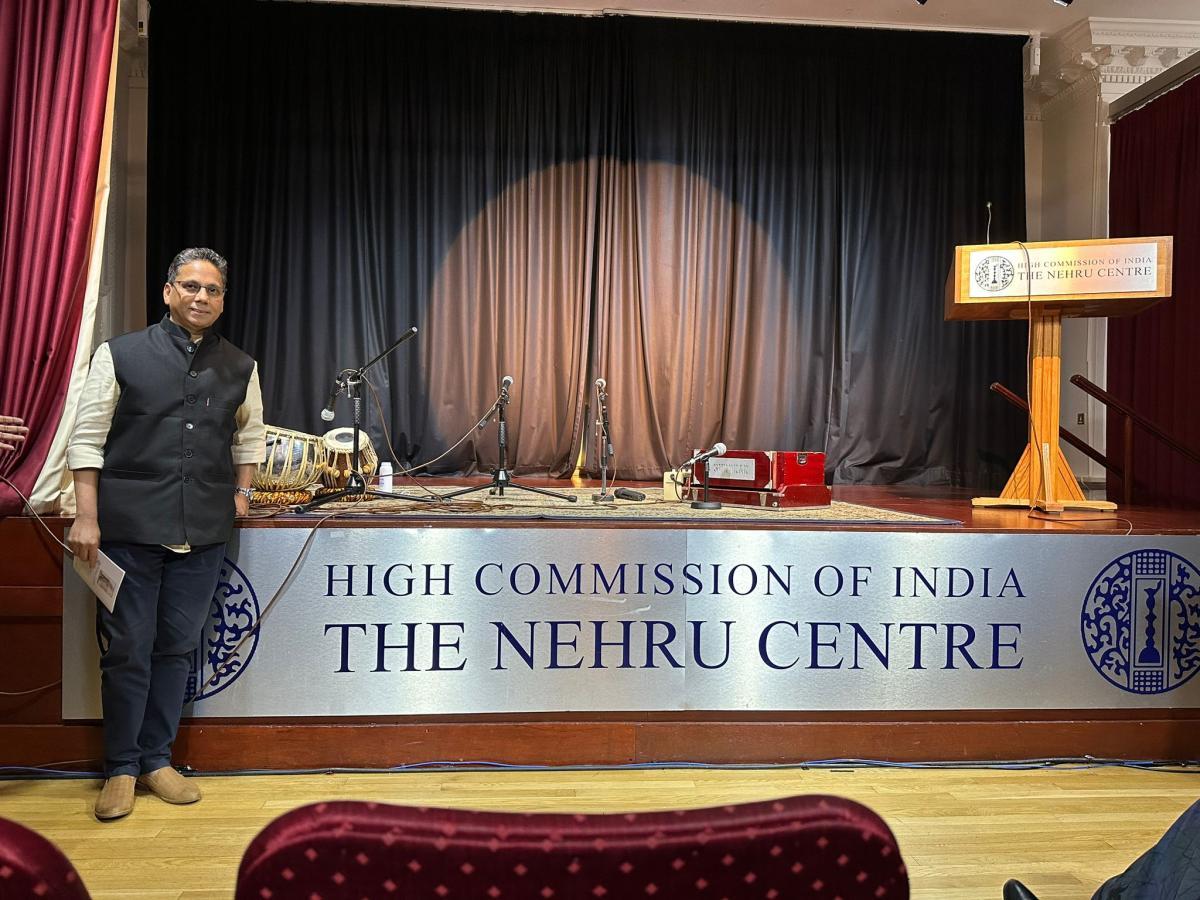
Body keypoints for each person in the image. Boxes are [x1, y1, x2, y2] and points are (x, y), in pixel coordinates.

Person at [66, 248, 265, 821]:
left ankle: (157, 760)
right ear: (169, 292)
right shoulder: (120, 354)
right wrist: (87, 516)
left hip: (203, 531)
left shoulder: (241, 365)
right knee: (128, 649)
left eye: (213, 290)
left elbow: (250, 436)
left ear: (223, 300)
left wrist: (242, 493)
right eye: (191, 286)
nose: (202, 297)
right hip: (128, 529)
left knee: (177, 648)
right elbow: (87, 438)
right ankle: (121, 768)